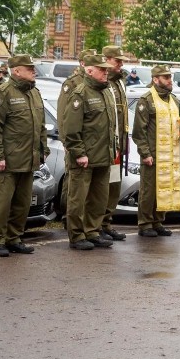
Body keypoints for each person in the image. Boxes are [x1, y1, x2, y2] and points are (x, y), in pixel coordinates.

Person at [0, 54, 48, 257]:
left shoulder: (34, 93)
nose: (33, 70)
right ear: (16, 71)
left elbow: (41, 126)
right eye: (29, 68)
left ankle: (14, 238)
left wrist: (43, 150)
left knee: (22, 202)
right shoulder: (3, 93)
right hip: (8, 161)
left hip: (29, 160)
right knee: (2, 204)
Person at [62, 54, 118, 250]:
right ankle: (76, 235)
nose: (105, 73)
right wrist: (79, 153)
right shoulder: (80, 94)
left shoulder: (105, 92)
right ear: (89, 70)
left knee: (99, 198)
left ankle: (92, 231)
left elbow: (110, 126)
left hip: (103, 155)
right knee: (78, 199)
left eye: (106, 70)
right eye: (101, 70)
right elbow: (71, 129)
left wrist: (113, 149)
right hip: (85, 157)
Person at [133, 65, 180, 237]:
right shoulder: (146, 100)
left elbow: (178, 124)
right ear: (156, 80)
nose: (170, 80)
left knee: (165, 189)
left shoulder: (174, 100)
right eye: (166, 77)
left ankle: (157, 221)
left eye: (170, 77)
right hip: (153, 154)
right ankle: (145, 223)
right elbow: (139, 131)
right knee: (148, 190)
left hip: (169, 153)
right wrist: (145, 153)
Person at [56, 49, 97, 216]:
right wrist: (66, 141)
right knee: (72, 180)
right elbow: (63, 114)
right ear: (82, 64)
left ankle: (82, 217)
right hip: (74, 141)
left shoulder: (94, 82)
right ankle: (67, 214)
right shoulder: (72, 83)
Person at [100, 45, 128, 242]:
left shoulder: (119, 82)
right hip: (105, 144)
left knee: (113, 186)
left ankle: (106, 223)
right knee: (102, 187)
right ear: (107, 59)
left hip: (119, 144)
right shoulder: (102, 82)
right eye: (117, 61)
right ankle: (97, 224)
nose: (121, 64)